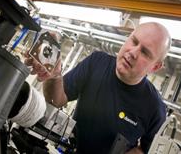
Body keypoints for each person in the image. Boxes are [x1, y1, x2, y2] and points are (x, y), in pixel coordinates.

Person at [25, 22, 171, 154]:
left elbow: (145, 150)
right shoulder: (97, 62)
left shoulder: (155, 109)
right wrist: (54, 75)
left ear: (155, 67)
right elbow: (56, 100)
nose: (133, 53)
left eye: (145, 52)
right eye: (134, 41)